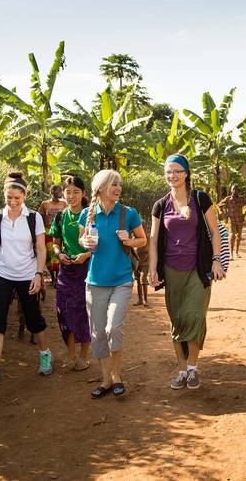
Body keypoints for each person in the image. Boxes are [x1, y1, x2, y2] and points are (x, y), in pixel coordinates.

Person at [149, 154, 226, 390]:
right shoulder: (160, 205)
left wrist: (216, 260)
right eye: (168, 172)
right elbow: (153, 240)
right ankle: (182, 370)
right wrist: (152, 268)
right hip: (171, 271)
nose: (172, 176)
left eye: (177, 171)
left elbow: (214, 232)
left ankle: (193, 368)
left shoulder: (201, 199)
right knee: (178, 320)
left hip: (198, 269)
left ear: (186, 173)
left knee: (194, 316)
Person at [0, 171, 53, 390]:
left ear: (24, 196)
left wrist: (39, 274)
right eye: (9, 198)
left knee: (33, 318)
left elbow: (40, 247)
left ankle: (45, 354)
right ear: (4, 195)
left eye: (17, 198)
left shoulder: (33, 218)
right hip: (2, 273)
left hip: (27, 274)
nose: (13, 202)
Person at [79, 169, 147, 399]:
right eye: (113, 185)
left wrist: (129, 240)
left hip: (121, 280)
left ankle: (117, 376)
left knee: (113, 328)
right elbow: (82, 239)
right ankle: (106, 379)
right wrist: (86, 242)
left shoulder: (128, 214)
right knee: (98, 333)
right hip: (95, 281)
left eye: (119, 184)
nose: (118, 188)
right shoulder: (88, 214)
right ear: (100, 188)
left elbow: (143, 239)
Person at [49, 175, 92, 371]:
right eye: (68, 192)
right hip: (66, 272)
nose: (72, 196)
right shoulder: (60, 216)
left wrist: (86, 254)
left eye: (76, 192)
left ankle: (84, 356)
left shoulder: (91, 216)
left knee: (83, 313)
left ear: (83, 194)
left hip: (87, 269)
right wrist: (59, 254)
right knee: (63, 312)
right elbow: (56, 242)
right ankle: (72, 356)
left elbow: (99, 243)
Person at [38, 185, 67, 287]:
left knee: (58, 253)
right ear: (53, 193)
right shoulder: (45, 204)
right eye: (58, 192)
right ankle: (53, 278)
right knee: (50, 255)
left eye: (60, 192)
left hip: (60, 232)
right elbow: (40, 218)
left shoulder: (64, 203)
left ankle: (59, 278)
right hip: (48, 231)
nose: (60, 194)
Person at [217, 184, 246, 259]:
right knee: (232, 236)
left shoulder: (241, 199)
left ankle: (236, 252)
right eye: (233, 189)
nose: (235, 191)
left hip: (240, 220)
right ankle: (231, 254)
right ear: (231, 190)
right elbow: (219, 205)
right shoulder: (228, 199)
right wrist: (222, 213)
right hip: (231, 220)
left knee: (238, 237)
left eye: (237, 189)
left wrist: (244, 214)